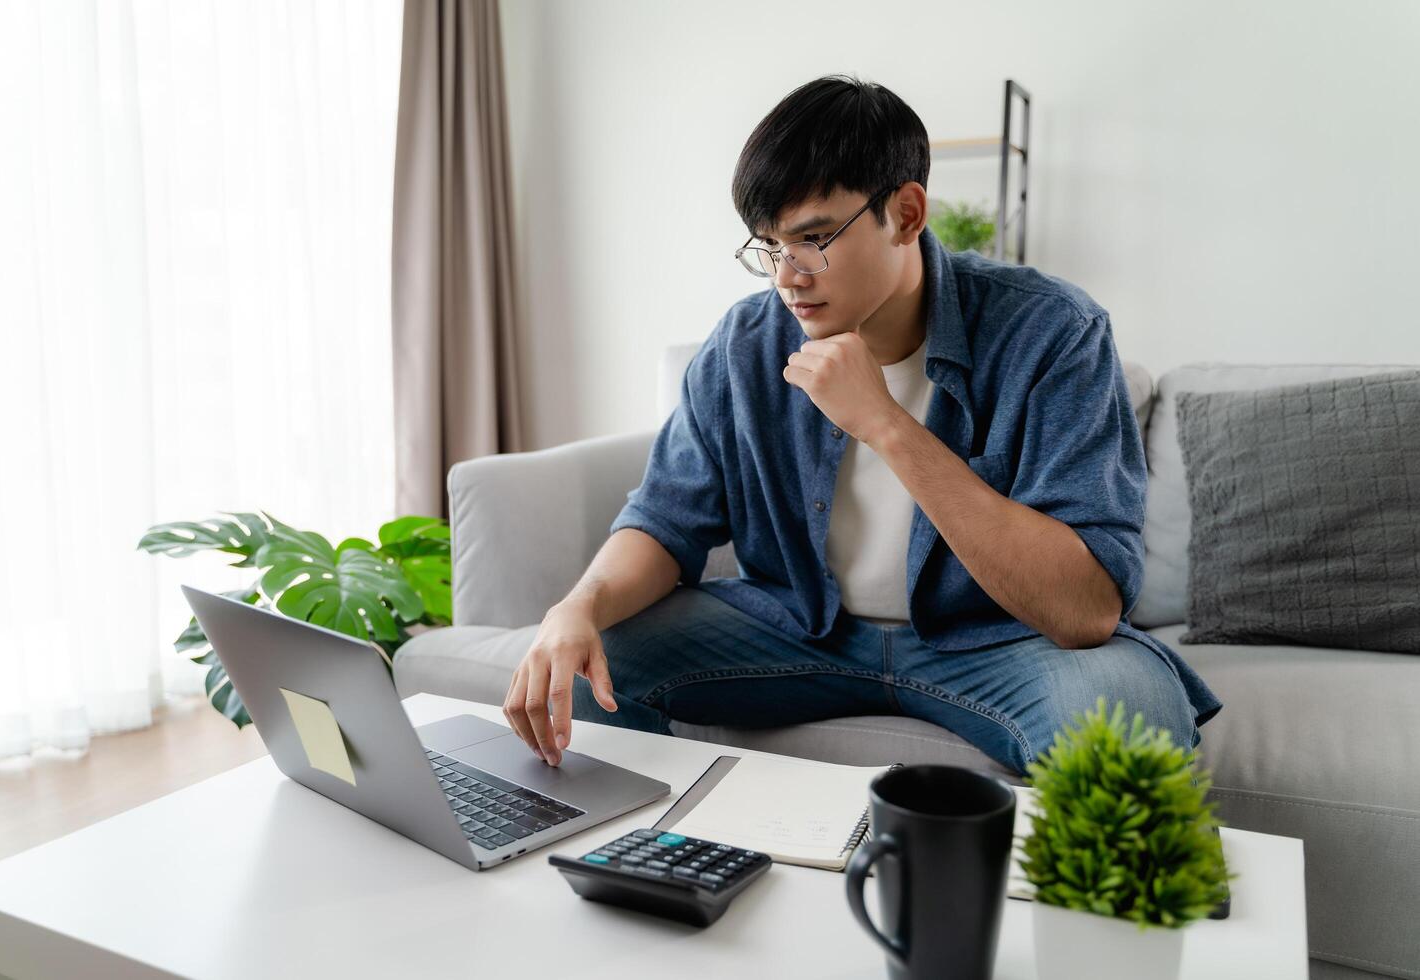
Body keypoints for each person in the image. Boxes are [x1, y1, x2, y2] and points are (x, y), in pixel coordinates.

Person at [502, 73, 1221, 775]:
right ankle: (644, 875)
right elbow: (665, 521)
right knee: (589, 661)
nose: (788, 275)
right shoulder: (746, 344)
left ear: (906, 214)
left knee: (1132, 726)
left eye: (813, 238)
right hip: (798, 629)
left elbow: (1086, 610)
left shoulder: (1053, 333)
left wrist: (885, 423)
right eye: (769, 245)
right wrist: (578, 606)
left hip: (997, 643)